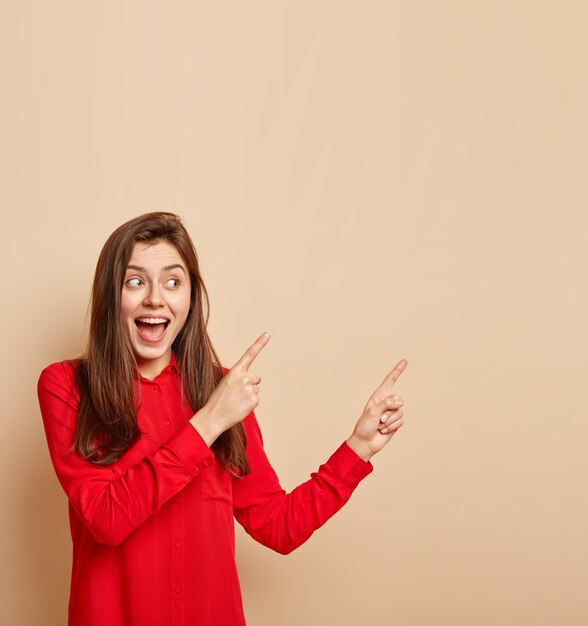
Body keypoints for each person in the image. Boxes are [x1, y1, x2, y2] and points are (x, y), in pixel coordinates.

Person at [37, 212, 407, 626]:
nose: (155, 299)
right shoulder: (66, 386)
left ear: (190, 298)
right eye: (135, 281)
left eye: (173, 282)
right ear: (112, 296)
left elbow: (277, 526)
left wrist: (357, 449)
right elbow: (107, 518)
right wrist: (209, 421)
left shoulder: (222, 391)